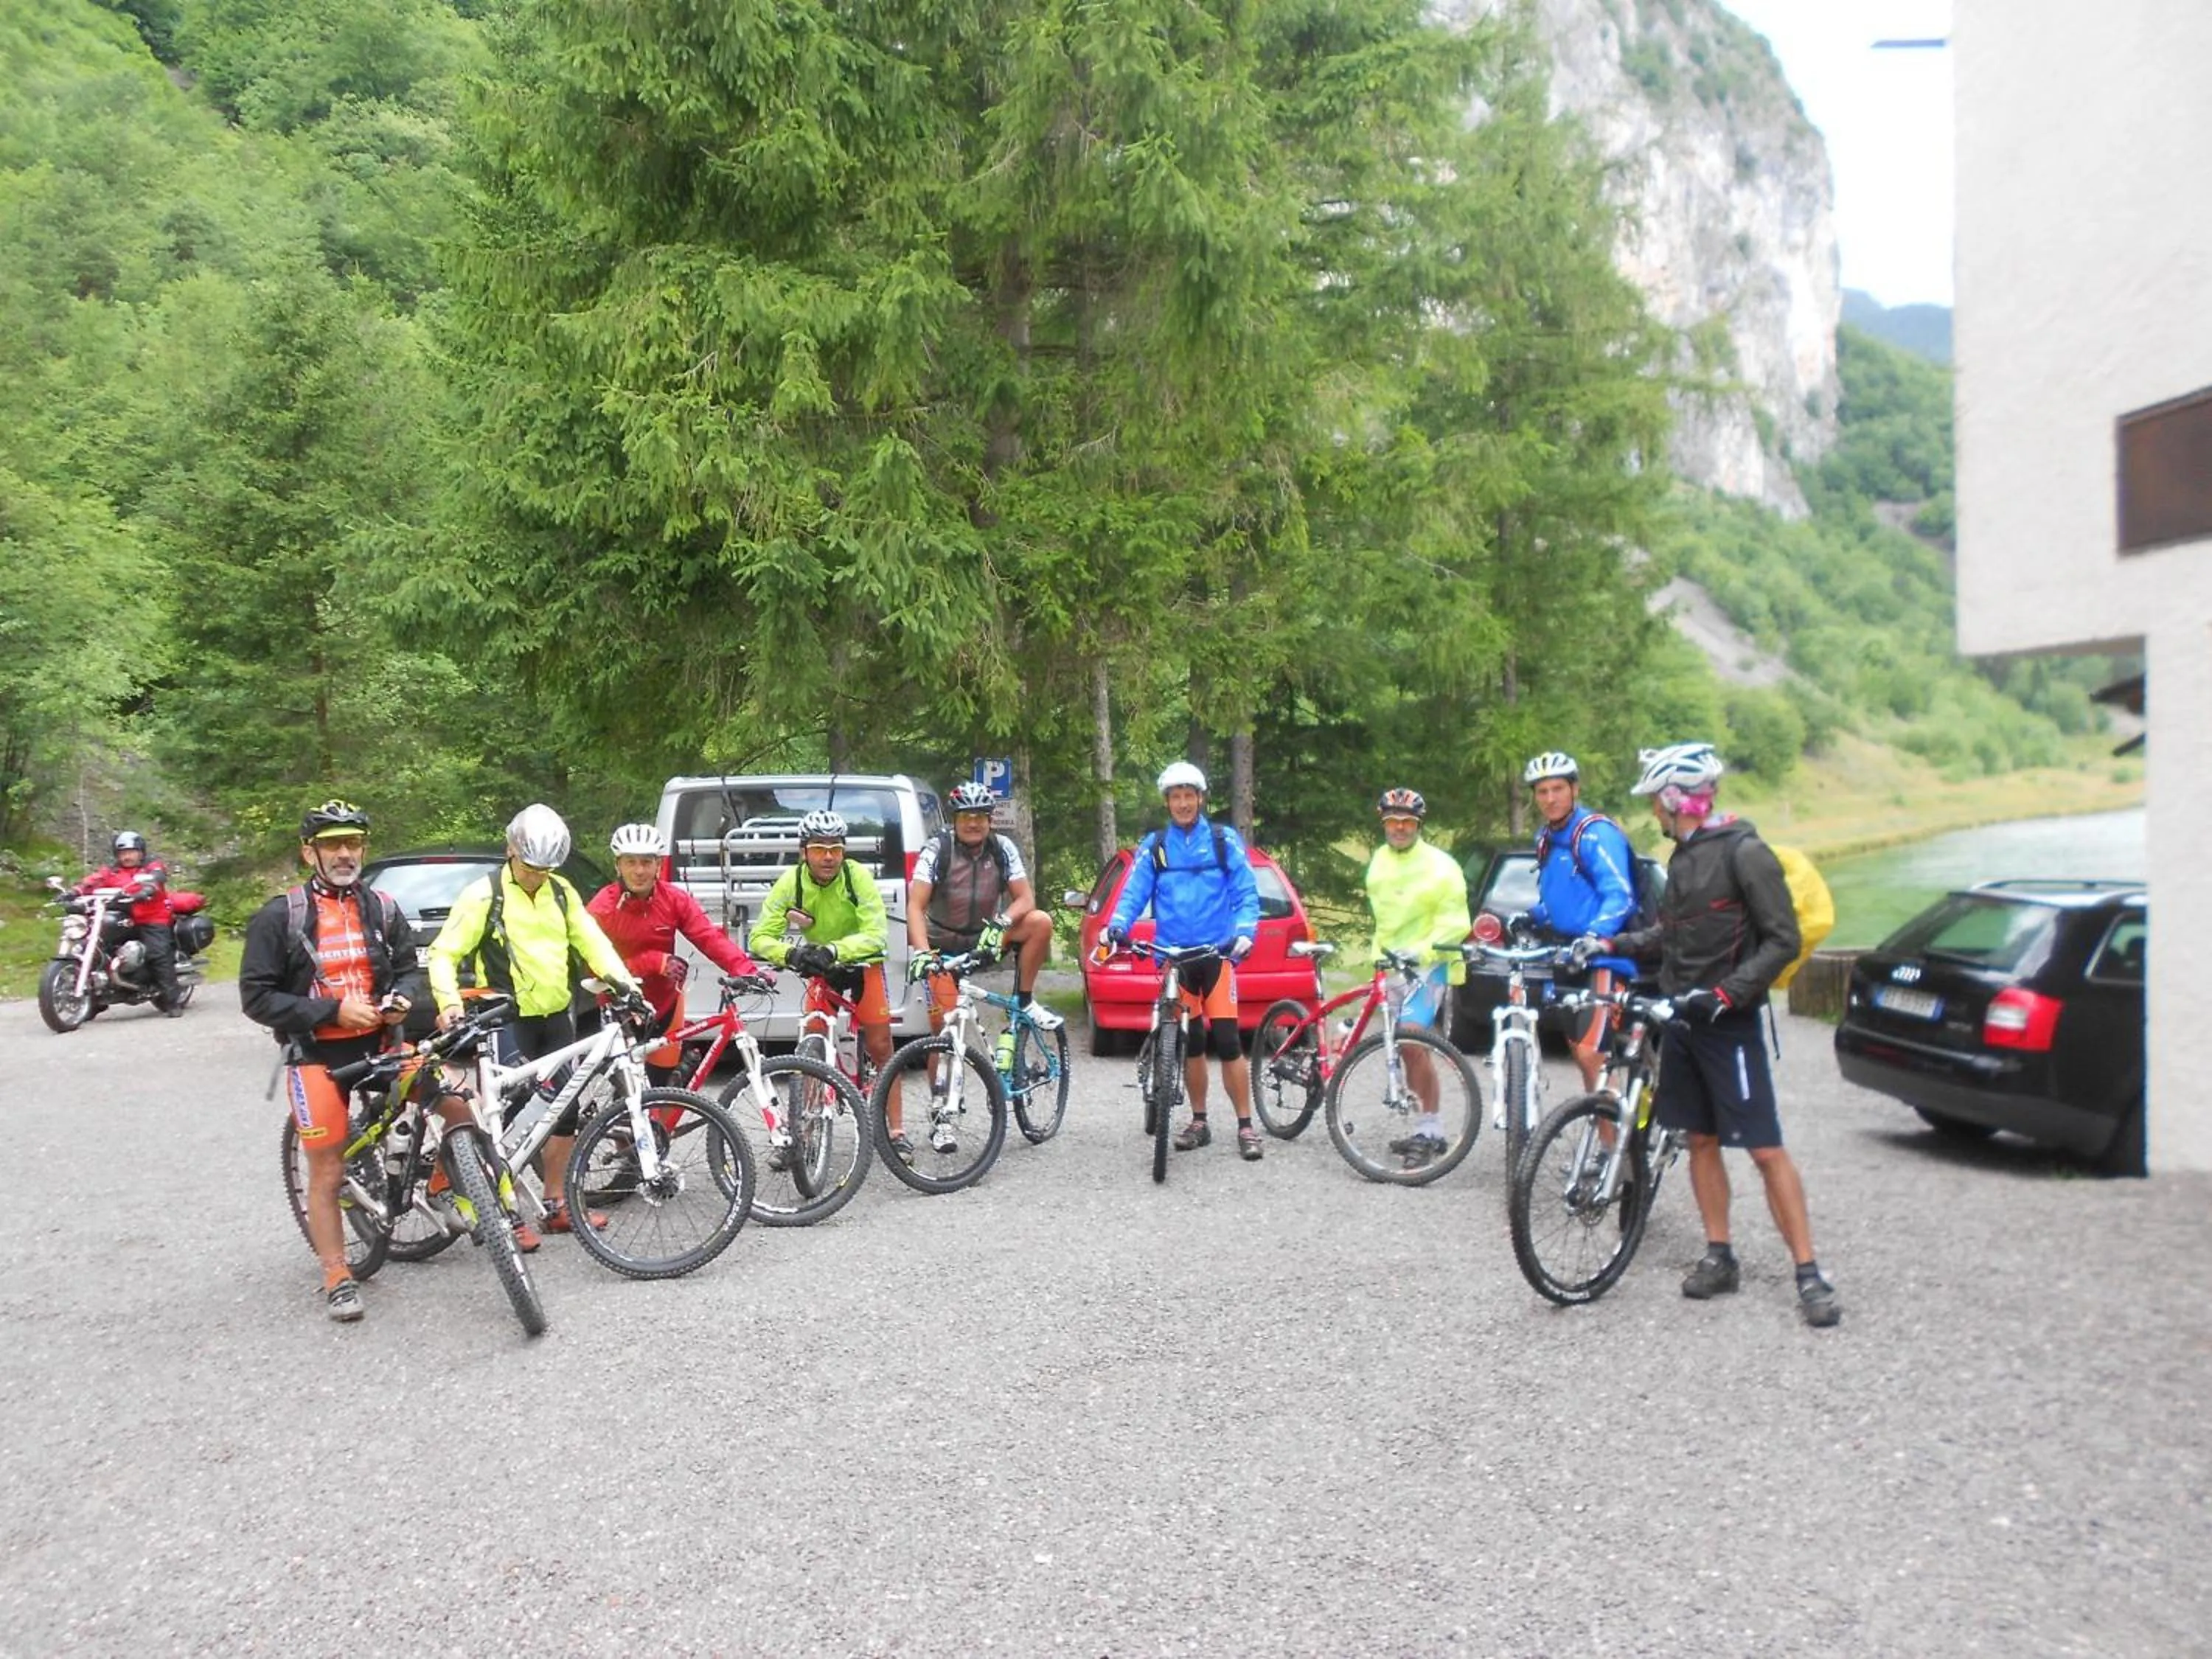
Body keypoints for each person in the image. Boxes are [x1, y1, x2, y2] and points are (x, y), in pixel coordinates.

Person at [1576, 742, 1840, 1328]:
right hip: (1683, 1020)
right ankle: (1720, 1255)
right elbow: (1669, 935)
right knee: (1699, 1140)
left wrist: (1728, 994)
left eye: (1657, 800)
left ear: (1677, 799)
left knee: (1765, 1149)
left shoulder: (1746, 853)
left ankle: (1809, 1272)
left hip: (1729, 1024)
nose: (1654, 810)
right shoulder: (1684, 857)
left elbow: (1783, 940)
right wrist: (1612, 943)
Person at [238, 801, 424, 1322]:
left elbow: (409, 969)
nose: (345, 854)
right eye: (332, 845)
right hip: (317, 1053)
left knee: (453, 1097)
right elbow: (257, 998)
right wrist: (332, 1010)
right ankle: (337, 1273)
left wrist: (403, 998)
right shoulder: (282, 915)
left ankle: (457, 1190)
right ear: (310, 853)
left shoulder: (383, 908)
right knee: (327, 1166)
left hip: (382, 1045)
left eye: (353, 844)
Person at [425, 804, 641, 1245]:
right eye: (530, 868)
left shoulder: (561, 892)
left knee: (564, 1111)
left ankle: (555, 1203)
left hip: (556, 1016)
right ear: (511, 850)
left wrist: (625, 984)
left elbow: (592, 941)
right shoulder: (484, 895)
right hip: (503, 1018)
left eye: (545, 869)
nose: (537, 876)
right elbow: (444, 953)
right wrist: (449, 1003)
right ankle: (499, 1209)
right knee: (507, 1116)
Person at [1105, 761, 1265, 1162]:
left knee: (1228, 1041)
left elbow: (1246, 893)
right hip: (1174, 957)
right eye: (1175, 797)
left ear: (1200, 798)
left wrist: (1245, 932)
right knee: (1191, 1043)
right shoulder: (1156, 845)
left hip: (1217, 954)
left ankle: (1246, 1126)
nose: (1182, 804)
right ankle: (1199, 1121)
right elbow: (1134, 892)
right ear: (1167, 802)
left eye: (1188, 796)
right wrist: (1118, 925)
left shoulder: (1223, 841)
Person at [748, 810, 905, 1152]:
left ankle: (896, 1131)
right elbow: (759, 938)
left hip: (863, 964)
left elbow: (877, 934)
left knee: (881, 1046)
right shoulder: (791, 882)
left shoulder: (856, 876)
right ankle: (804, 1135)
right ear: (804, 851)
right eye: (819, 848)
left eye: (836, 848)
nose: (829, 856)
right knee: (812, 1042)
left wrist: (835, 950)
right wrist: (791, 954)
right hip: (820, 970)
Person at [585, 822, 762, 1087]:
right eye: (631, 862)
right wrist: (653, 962)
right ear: (618, 866)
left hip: (664, 1005)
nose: (639, 871)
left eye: (647, 862)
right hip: (619, 1007)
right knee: (629, 1093)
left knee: (663, 1089)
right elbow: (594, 969)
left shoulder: (673, 899)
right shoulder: (603, 907)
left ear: (658, 865)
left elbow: (709, 937)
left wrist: (747, 971)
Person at [1363, 787, 1473, 1168]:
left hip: (1429, 965)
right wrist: (1380, 956)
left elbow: (1456, 921)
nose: (1399, 828)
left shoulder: (1442, 867)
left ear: (1419, 825)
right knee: (1408, 1048)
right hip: (1391, 965)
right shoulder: (1379, 861)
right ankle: (1430, 1128)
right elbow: (1385, 919)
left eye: (1407, 822)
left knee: (1412, 1037)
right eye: (1392, 822)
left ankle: (1430, 1128)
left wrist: (1422, 950)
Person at [1520, 751, 1640, 1093]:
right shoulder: (1545, 838)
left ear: (1575, 788)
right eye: (1542, 791)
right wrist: (1532, 916)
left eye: (1558, 789)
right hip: (1565, 956)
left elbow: (1620, 895)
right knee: (1579, 1053)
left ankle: (1614, 1127)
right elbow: (1562, 899)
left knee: (1592, 1054)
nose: (1550, 798)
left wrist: (1595, 936)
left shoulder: (1595, 833)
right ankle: (1603, 1125)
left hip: (1602, 958)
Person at [905, 780, 1054, 1034]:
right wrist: (922, 953)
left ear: (990, 820)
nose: (973, 824)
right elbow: (916, 906)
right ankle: (941, 1062)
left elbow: (1025, 899)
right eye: (966, 817)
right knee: (944, 1026)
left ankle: (1025, 1001)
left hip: (983, 939)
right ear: (955, 820)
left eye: (980, 817)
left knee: (1040, 922)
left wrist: (1001, 923)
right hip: (941, 945)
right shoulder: (938, 849)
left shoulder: (1002, 848)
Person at [78, 830, 183, 1016]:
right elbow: (94, 881)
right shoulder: (112, 871)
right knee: (97, 949)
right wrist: (75, 892)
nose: (126, 857)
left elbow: (157, 877)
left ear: (141, 853)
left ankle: (171, 1000)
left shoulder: (151, 866)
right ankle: (94, 999)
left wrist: (148, 890)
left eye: (131, 852)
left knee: (158, 953)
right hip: (124, 917)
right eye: (122, 853)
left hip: (152, 917)